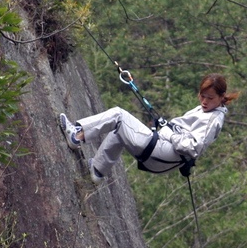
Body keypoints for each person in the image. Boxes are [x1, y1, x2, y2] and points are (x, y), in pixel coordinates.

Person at [59, 73, 238, 184]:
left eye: (210, 98)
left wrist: (167, 132)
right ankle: (97, 170)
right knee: (122, 130)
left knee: (118, 115)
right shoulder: (208, 110)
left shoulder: (213, 119)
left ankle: (76, 135)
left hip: (165, 153)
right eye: (202, 96)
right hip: (164, 154)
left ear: (222, 97)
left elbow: (192, 148)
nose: (205, 101)